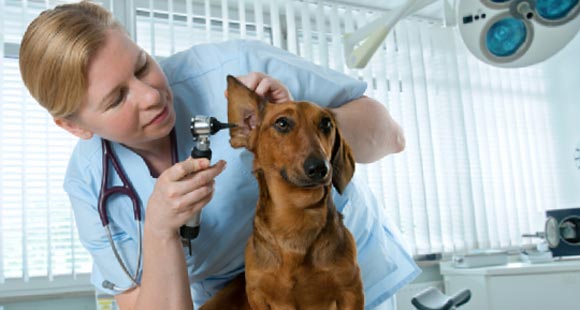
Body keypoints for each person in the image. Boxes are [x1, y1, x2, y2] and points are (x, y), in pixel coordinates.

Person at [19, 1, 420, 309]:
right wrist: (159, 230)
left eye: (142, 66)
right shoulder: (90, 186)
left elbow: (391, 135)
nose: (151, 95)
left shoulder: (236, 70)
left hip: (340, 274)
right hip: (245, 296)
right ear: (74, 126)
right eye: (117, 98)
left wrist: (293, 127)